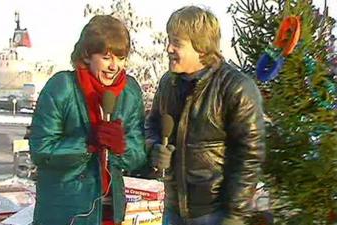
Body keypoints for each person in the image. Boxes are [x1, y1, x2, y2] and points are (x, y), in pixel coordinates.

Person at [145, 6, 266, 225]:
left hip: (215, 213)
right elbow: (151, 125)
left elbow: (249, 156)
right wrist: (154, 147)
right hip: (173, 211)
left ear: (201, 48)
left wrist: (234, 215)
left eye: (177, 43)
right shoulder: (167, 83)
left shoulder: (236, 88)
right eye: (168, 41)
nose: (169, 49)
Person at [29, 15, 147, 225]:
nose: (114, 66)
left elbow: (137, 155)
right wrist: (88, 143)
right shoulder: (62, 87)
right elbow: (41, 150)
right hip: (64, 212)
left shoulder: (130, 92)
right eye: (106, 57)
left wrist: (121, 148)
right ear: (86, 55)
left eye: (120, 58)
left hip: (110, 211)